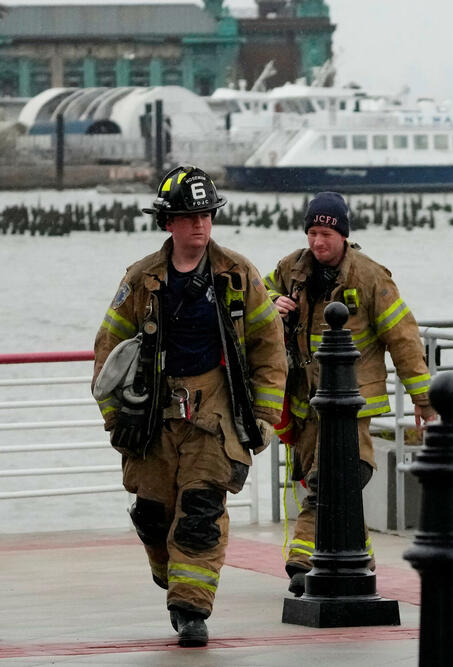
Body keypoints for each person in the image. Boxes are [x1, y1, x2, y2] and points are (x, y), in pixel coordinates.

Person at [92, 165, 287, 647]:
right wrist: (114, 416)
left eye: (206, 214)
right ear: (168, 223)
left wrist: (263, 418)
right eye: (188, 215)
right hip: (152, 415)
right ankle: (169, 573)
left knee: (201, 511)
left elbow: (268, 347)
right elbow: (109, 348)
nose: (200, 224)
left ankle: (191, 608)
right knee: (153, 515)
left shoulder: (239, 275)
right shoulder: (140, 280)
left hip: (214, 416)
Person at [264, 191, 435, 596]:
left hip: (353, 401)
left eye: (325, 233)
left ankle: (304, 559)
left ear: (342, 234)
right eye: (311, 232)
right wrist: (274, 302)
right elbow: (257, 296)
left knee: (336, 476)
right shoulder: (291, 268)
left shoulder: (372, 277)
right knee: (316, 477)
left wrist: (424, 400)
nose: (317, 242)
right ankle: (360, 558)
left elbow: (405, 339)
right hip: (305, 398)